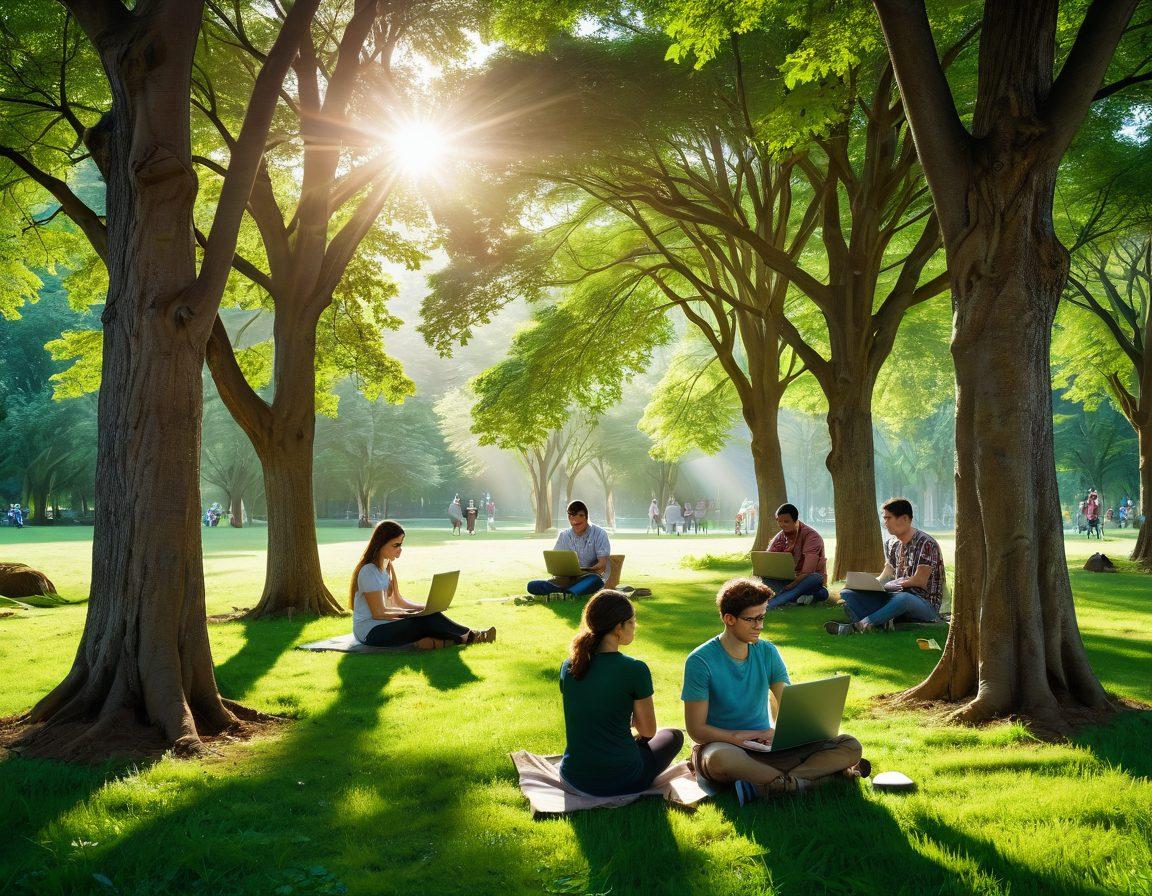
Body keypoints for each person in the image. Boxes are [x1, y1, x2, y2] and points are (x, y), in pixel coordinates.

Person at [682, 578, 868, 803]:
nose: (760, 626)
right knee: (720, 760)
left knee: (849, 745)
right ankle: (819, 778)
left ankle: (776, 784)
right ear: (728, 619)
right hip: (725, 746)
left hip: (767, 747)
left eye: (762, 617)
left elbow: (788, 703)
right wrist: (738, 738)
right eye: (752, 619)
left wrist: (780, 734)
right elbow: (697, 730)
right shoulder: (700, 661)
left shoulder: (767, 652)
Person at [559, 590, 684, 795]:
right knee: (673, 736)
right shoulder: (635, 669)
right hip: (623, 778)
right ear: (619, 627)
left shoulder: (569, 665)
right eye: (633, 621)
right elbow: (648, 732)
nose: (635, 627)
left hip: (574, 776)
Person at [351, 520, 495, 648]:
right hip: (370, 631)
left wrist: (425, 608)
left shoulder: (387, 566)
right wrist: (411, 615)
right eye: (396, 545)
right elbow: (379, 613)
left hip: (385, 624)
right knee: (423, 622)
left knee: (430, 616)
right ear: (381, 543)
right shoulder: (368, 571)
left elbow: (398, 600)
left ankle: (469, 636)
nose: (400, 549)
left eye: (401, 544)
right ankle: (472, 636)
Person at [825, 497, 944, 635]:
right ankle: (875, 626)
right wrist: (871, 586)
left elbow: (920, 581)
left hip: (922, 603)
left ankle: (859, 626)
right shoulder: (891, 544)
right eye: (884, 519)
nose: (885, 523)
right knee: (848, 594)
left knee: (903, 599)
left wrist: (893, 585)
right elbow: (886, 574)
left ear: (905, 519)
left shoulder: (926, 543)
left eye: (888, 518)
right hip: (894, 596)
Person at [526, 500, 611, 598]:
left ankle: (563, 591)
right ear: (569, 518)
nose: (575, 520)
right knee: (531, 585)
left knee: (596, 581)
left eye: (580, 516)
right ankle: (567, 592)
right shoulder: (564, 535)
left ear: (586, 516)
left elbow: (602, 565)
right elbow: (555, 562)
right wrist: (559, 570)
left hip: (588, 577)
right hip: (564, 579)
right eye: (571, 517)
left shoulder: (600, 534)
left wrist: (585, 570)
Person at [761, 504, 830, 608]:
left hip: (807, 579)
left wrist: (790, 586)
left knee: (814, 579)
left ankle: (770, 605)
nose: (782, 525)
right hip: (788, 578)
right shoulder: (780, 536)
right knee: (763, 579)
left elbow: (808, 571)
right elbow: (769, 559)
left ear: (795, 520)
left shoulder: (812, 537)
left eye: (786, 521)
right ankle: (801, 598)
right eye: (779, 521)